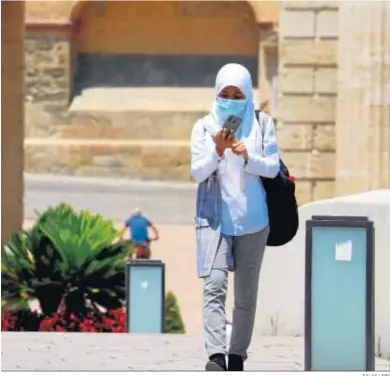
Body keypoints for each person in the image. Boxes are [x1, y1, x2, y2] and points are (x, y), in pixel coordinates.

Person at [190, 63, 280, 371]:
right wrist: (216, 151)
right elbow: (197, 172)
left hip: (254, 223)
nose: (230, 99)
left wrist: (246, 157)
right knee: (214, 286)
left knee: (245, 295)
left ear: (248, 94)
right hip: (215, 222)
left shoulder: (262, 123)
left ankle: (237, 354)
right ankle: (216, 355)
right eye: (224, 93)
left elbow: (272, 167)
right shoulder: (203, 127)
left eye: (237, 94)